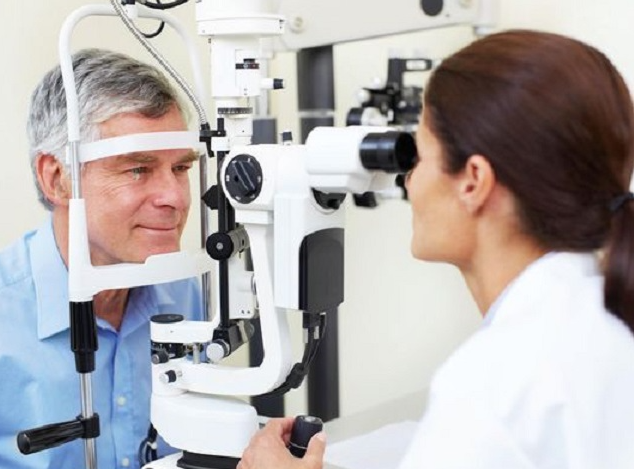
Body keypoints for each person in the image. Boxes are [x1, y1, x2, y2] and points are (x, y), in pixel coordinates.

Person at [237, 29, 634, 469]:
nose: (409, 180)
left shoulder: (496, 382)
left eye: (420, 157)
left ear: (473, 181)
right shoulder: (602, 321)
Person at [0, 49, 203, 469]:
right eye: (138, 169)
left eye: (181, 169)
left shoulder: (184, 294)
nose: (175, 198)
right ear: (58, 178)